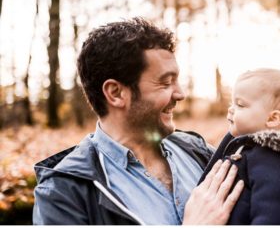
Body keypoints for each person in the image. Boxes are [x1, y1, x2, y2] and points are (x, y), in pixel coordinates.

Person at [32, 18, 241, 225]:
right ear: (116, 93)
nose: (180, 94)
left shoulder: (198, 151)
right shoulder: (63, 193)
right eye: (166, 82)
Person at [199, 68, 280, 224]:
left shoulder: (278, 166)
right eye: (232, 102)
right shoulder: (246, 146)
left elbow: (272, 219)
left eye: (240, 105)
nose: (231, 108)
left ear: (273, 118)